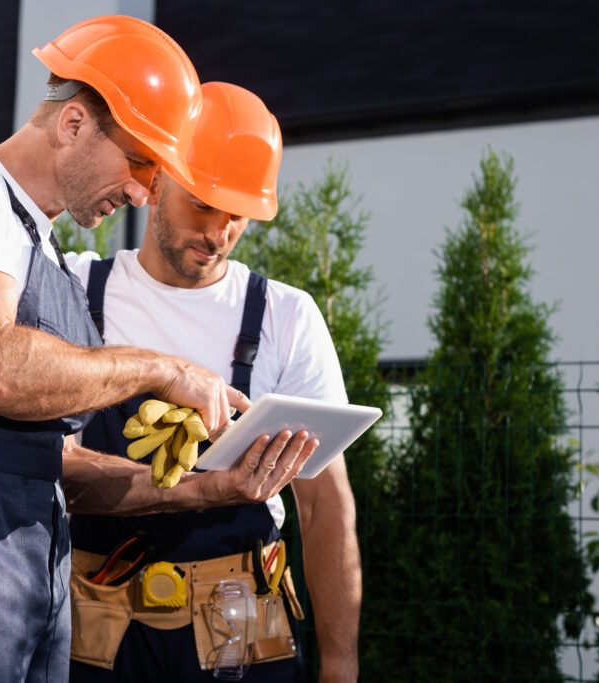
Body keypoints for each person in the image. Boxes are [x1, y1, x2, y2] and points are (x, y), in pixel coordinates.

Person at [0, 16, 316, 682]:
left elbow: (65, 467)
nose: (143, 192)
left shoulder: (48, 253)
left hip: (38, 559)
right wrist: (162, 368)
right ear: (72, 125)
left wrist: (216, 488)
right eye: (140, 163)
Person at [62, 82, 362, 682]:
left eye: (238, 215)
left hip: (244, 628)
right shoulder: (72, 290)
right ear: (155, 183)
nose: (220, 231)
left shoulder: (284, 315)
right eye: (204, 204)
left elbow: (325, 505)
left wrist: (341, 665)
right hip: (94, 633)